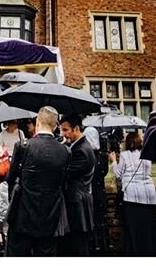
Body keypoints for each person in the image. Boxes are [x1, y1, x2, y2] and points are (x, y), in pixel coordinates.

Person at [6, 106, 71, 257]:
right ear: (55, 126)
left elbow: (10, 179)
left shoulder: (23, 147)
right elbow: (64, 183)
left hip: (23, 216)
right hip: (50, 216)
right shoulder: (65, 151)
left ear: (37, 122)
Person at [110, 131, 156, 256]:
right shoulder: (147, 154)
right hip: (148, 195)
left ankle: (135, 252)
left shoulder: (125, 155)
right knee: (147, 229)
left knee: (133, 229)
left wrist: (114, 161)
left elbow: (119, 175)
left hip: (132, 196)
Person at [58, 114, 96, 257]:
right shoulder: (77, 147)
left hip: (77, 202)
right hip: (77, 200)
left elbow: (66, 174)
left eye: (66, 130)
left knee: (78, 244)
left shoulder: (81, 150)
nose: (63, 134)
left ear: (76, 129)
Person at [83, 125, 109, 254]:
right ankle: (102, 245)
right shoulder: (102, 156)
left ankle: (92, 247)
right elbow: (104, 172)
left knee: (91, 221)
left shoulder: (85, 155)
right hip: (100, 192)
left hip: (89, 192)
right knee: (100, 220)